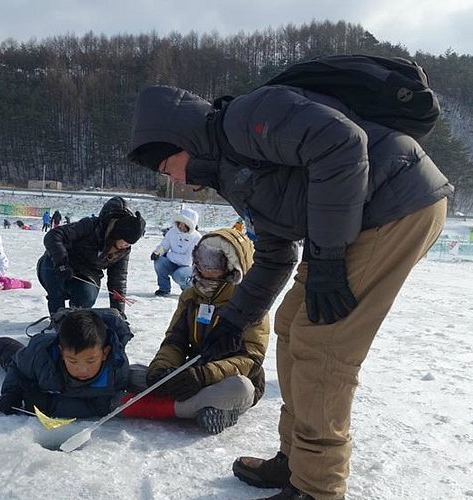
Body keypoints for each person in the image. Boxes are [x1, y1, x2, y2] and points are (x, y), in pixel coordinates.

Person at [128, 84, 452, 499]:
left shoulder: (247, 117)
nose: (170, 178)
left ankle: (317, 487)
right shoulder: (233, 175)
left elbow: (343, 142)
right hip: (346, 226)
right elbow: (276, 254)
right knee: (290, 326)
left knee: (323, 346)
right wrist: (233, 321)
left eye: (165, 166)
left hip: (396, 204)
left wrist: (330, 258)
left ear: (181, 141)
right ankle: (296, 460)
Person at [143, 228, 268, 433]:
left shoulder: (251, 304)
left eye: (214, 261)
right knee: (139, 374)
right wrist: (161, 369)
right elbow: (175, 341)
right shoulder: (191, 296)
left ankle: (174, 406)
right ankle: (202, 407)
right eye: (201, 259)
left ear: (233, 264)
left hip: (228, 379)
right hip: (191, 372)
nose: (205, 267)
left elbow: (251, 359)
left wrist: (204, 375)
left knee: (240, 388)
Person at [0, 308, 135, 418]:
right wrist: (12, 394)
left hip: (56, 394)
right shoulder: (42, 354)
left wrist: (47, 405)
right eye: (72, 360)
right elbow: (18, 369)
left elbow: (103, 406)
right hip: (34, 357)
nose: (82, 368)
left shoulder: (116, 368)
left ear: (104, 353)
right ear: (62, 353)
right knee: (14, 357)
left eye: (91, 360)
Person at [36, 196, 145, 316]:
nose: (126, 246)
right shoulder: (90, 226)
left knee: (86, 296)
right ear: (117, 234)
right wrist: (61, 262)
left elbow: (118, 280)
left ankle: (74, 318)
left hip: (88, 274)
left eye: (130, 244)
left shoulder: (123, 251)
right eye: (125, 241)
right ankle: (57, 316)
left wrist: (118, 313)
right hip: (57, 263)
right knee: (56, 286)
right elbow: (53, 235)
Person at [151, 207, 202, 296]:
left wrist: (169, 255)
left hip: (189, 268)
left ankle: (188, 290)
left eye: (184, 224)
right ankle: (164, 289)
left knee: (179, 275)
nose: (181, 226)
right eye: (179, 223)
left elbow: (187, 261)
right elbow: (164, 245)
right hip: (173, 264)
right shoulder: (172, 232)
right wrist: (157, 252)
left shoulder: (197, 238)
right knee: (159, 262)